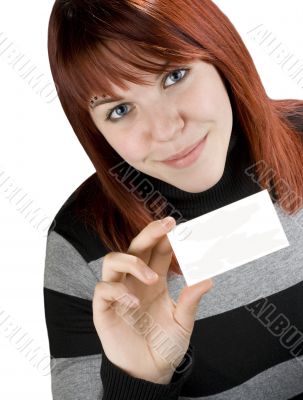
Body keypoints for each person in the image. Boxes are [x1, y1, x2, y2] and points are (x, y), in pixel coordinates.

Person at [43, 0, 303, 399]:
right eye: (120, 109)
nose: (166, 130)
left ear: (222, 56)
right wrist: (137, 380)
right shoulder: (82, 247)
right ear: (94, 130)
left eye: (174, 75)